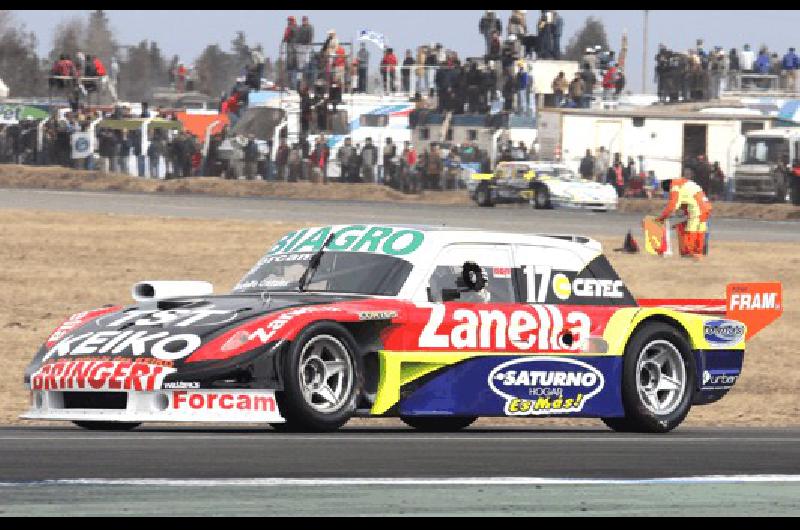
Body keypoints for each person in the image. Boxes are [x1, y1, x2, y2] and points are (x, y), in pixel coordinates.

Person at [657, 176, 713, 258]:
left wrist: (661, 218)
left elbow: (672, 206)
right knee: (700, 231)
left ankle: (690, 253)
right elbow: (687, 202)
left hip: (696, 209)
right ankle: (699, 252)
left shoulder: (675, 187)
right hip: (706, 208)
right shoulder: (685, 183)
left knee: (691, 230)